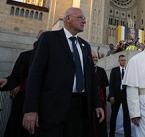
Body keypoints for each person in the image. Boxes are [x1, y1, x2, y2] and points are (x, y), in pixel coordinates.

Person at [22, 7, 105, 136]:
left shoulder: (85, 45)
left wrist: (97, 104)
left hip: (79, 108)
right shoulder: (49, 39)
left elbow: (90, 78)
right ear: (68, 19)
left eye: (85, 18)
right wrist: (30, 109)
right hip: (52, 107)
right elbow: (35, 75)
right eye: (80, 18)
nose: (84, 21)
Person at [0, 30, 43, 137]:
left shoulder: (55, 59)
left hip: (44, 104)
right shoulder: (26, 56)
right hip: (23, 101)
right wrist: (7, 81)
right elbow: (16, 77)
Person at [108, 55, 131, 137]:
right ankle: (111, 134)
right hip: (116, 95)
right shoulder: (114, 70)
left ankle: (127, 134)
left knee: (127, 116)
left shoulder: (128, 70)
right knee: (114, 115)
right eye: (121, 60)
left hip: (125, 96)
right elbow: (111, 84)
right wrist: (111, 95)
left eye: (124, 60)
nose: (123, 62)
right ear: (119, 61)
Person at [91, 50, 109, 137]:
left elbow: (104, 88)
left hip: (100, 101)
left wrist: (104, 103)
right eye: (92, 57)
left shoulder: (101, 71)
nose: (94, 59)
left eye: (96, 58)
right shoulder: (86, 71)